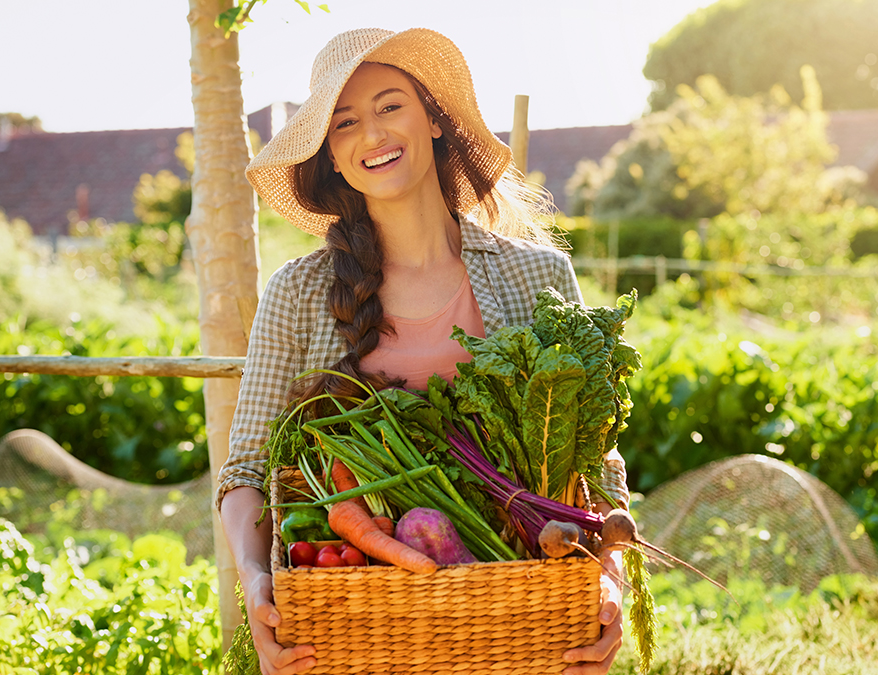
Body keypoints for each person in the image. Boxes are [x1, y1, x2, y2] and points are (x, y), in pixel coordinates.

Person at [216, 28, 631, 675]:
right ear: (330, 154)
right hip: (357, 632)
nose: (371, 135)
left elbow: (592, 455)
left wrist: (609, 577)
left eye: (389, 106)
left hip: (520, 623)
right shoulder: (297, 293)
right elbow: (243, 473)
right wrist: (253, 577)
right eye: (344, 122)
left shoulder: (537, 276)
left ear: (434, 117)